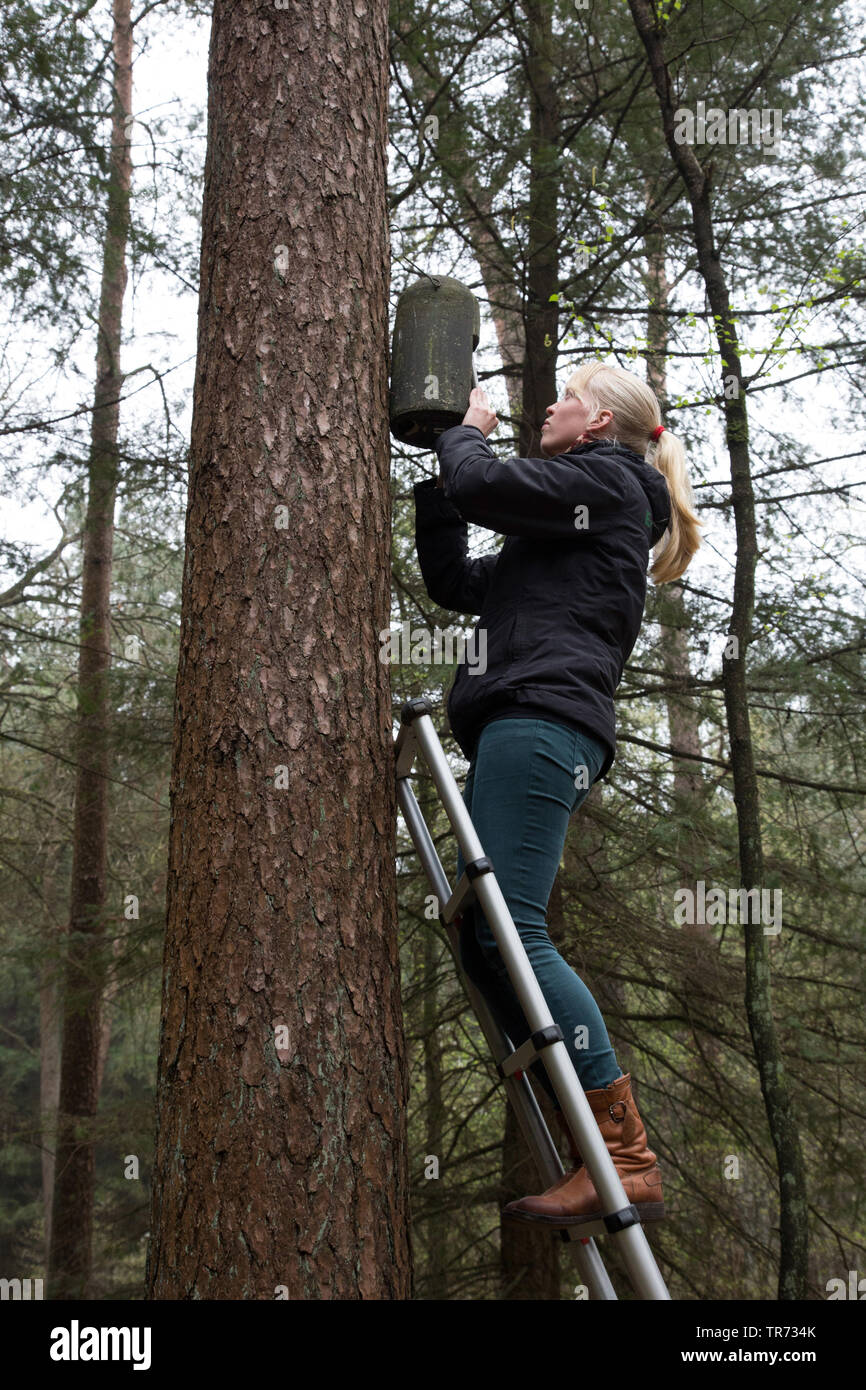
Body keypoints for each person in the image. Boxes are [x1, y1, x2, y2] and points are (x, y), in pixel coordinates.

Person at [411, 359, 703, 1228]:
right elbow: (459, 584)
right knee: (484, 934)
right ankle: (591, 1139)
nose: (550, 404)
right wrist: (441, 478)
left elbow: (487, 484)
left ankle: (622, 1154)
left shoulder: (610, 486)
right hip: (528, 725)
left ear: (601, 425)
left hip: (541, 723)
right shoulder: (574, 523)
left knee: (515, 931)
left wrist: (462, 436)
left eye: (567, 396)